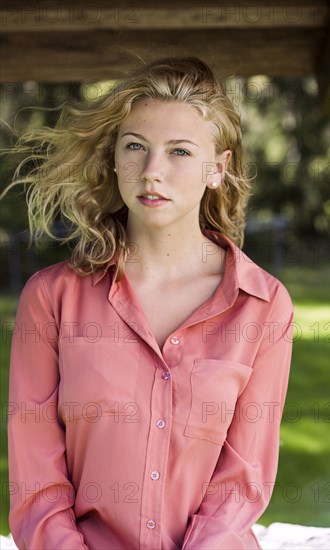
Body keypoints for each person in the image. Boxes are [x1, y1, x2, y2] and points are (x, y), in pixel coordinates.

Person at [5, 57, 294, 549]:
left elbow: (241, 481)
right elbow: (36, 479)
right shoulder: (51, 299)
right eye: (135, 146)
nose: (152, 171)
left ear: (216, 169)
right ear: (115, 158)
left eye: (179, 151)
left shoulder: (263, 305)